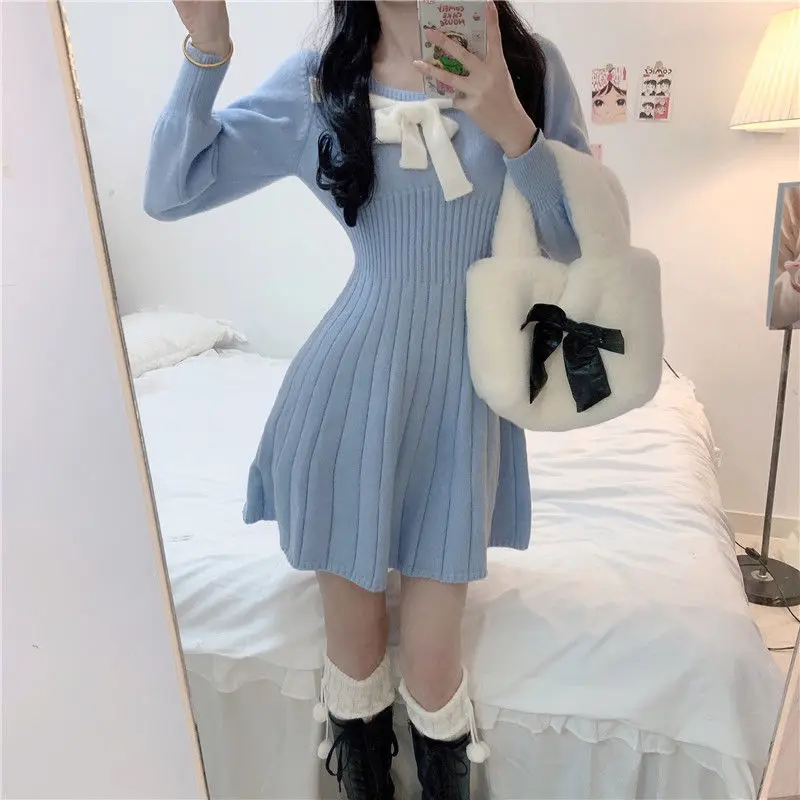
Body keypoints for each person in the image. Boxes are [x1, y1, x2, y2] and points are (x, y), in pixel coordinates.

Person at [144, 1, 588, 797]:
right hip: (345, 400)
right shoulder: (319, 84)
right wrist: (208, 49)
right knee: (353, 663)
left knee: (434, 672)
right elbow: (170, 191)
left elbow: (579, 245)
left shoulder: (530, 66)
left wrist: (514, 129)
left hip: (463, 403)